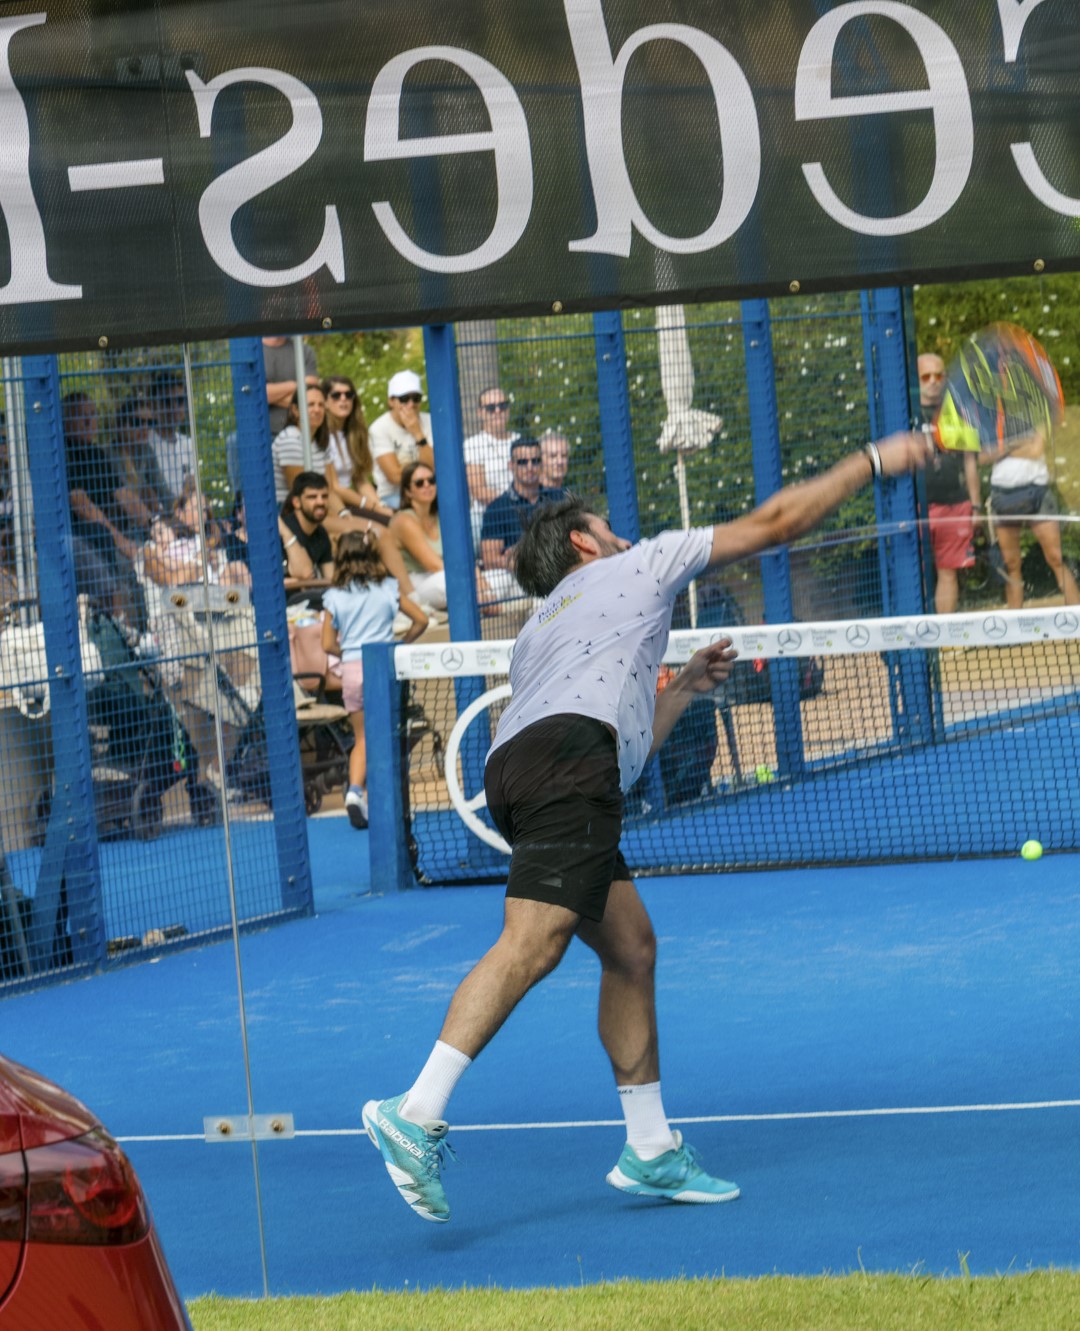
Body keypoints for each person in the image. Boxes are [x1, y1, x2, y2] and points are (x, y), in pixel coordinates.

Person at [362, 430, 927, 1224]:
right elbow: (776, 522)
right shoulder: (639, 565)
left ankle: (651, 1148)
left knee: (630, 949)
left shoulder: (542, 628)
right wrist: (872, 461)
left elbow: (617, 759)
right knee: (534, 942)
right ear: (585, 542)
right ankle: (415, 1109)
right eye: (609, 527)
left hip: (530, 768)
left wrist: (685, 688)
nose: (624, 535)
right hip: (566, 761)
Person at [322, 530, 428, 829]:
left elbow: (327, 644)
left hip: (352, 671)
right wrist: (400, 645)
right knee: (390, 738)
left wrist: (348, 652)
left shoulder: (333, 596)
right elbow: (421, 620)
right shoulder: (389, 589)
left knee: (362, 739)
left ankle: (355, 792)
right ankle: (391, 803)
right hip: (384, 670)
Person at [62, 391, 146, 627]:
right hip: (82, 538)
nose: (90, 421)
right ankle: (127, 631)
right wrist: (122, 542)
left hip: (107, 535)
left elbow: (124, 495)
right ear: (66, 420)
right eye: (82, 416)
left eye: (93, 414)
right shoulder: (63, 453)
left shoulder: (96, 453)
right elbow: (82, 505)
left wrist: (154, 523)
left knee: (148, 544)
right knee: (122, 559)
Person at [987, 430, 1080, 609]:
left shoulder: (1037, 414)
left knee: (1055, 558)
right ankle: (1014, 623)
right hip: (1002, 495)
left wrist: (1002, 449)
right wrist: (1020, 443)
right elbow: (983, 457)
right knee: (1011, 564)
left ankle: (1077, 616)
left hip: (1037, 491)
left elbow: (1036, 450)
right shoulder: (992, 420)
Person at [919, 353, 981, 613]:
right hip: (915, 508)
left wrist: (976, 507)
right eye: (926, 376)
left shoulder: (958, 412)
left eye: (938, 375)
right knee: (916, 573)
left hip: (954, 505)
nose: (933, 381)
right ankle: (920, 632)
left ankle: (943, 632)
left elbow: (970, 462)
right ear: (916, 380)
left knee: (948, 572)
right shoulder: (905, 414)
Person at [478, 437, 563, 606]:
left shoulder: (558, 498)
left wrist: (522, 555)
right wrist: (521, 562)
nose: (530, 467)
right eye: (523, 462)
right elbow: (489, 558)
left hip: (554, 573)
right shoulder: (497, 507)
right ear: (511, 465)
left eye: (535, 461)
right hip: (516, 578)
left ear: (541, 463)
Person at [322, 375, 389, 518]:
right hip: (332, 505)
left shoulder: (354, 434)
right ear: (325, 402)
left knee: (396, 518)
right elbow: (335, 487)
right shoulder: (323, 436)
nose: (343, 399)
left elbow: (360, 480)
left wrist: (380, 505)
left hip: (352, 501)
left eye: (348, 395)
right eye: (336, 395)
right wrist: (374, 508)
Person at [368, 370, 434, 510]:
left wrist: (418, 434)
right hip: (394, 495)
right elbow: (395, 477)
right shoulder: (379, 428)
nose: (411, 404)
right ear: (391, 401)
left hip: (429, 490)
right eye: (404, 399)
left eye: (416, 398)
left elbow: (434, 467)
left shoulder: (430, 421)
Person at [463, 385, 519, 548]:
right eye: (490, 408)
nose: (497, 411)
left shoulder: (520, 440)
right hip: (486, 516)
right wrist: (513, 505)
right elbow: (479, 491)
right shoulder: (472, 444)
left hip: (522, 512)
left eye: (502, 406)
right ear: (479, 412)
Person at [279, 471, 335, 605]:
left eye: (324, 496)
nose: (320, 502)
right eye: (312, 497)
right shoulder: (284, 528)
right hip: (279, 604)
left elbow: (331, 579)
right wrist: (286, 534)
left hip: (305, 603)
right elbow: (305, 572)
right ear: (296, 502)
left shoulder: (321, 533)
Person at [271, 383, 329, 505]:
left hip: (317, 505)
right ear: (295, 410)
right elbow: (302, 494)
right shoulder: (290, 440)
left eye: (321, 405)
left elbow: (330, 491)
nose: (317, 410)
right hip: (286, 508)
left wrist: (343, 513)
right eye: (310, 405)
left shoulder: (320, 441)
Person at [146, 371, 197, 509]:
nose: (174, 408)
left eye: (179, 401)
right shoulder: (146, 444)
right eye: (167, 402)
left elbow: (193, 485)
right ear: (153, 406)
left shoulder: (188, 443)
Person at [263, 335, 319, 441]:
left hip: (299, 433)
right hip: (261, 434)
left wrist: (270, 394)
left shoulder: (304, 351)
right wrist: (298, 384)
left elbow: (311, 393)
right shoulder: (253, 352)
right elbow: (256, 394)